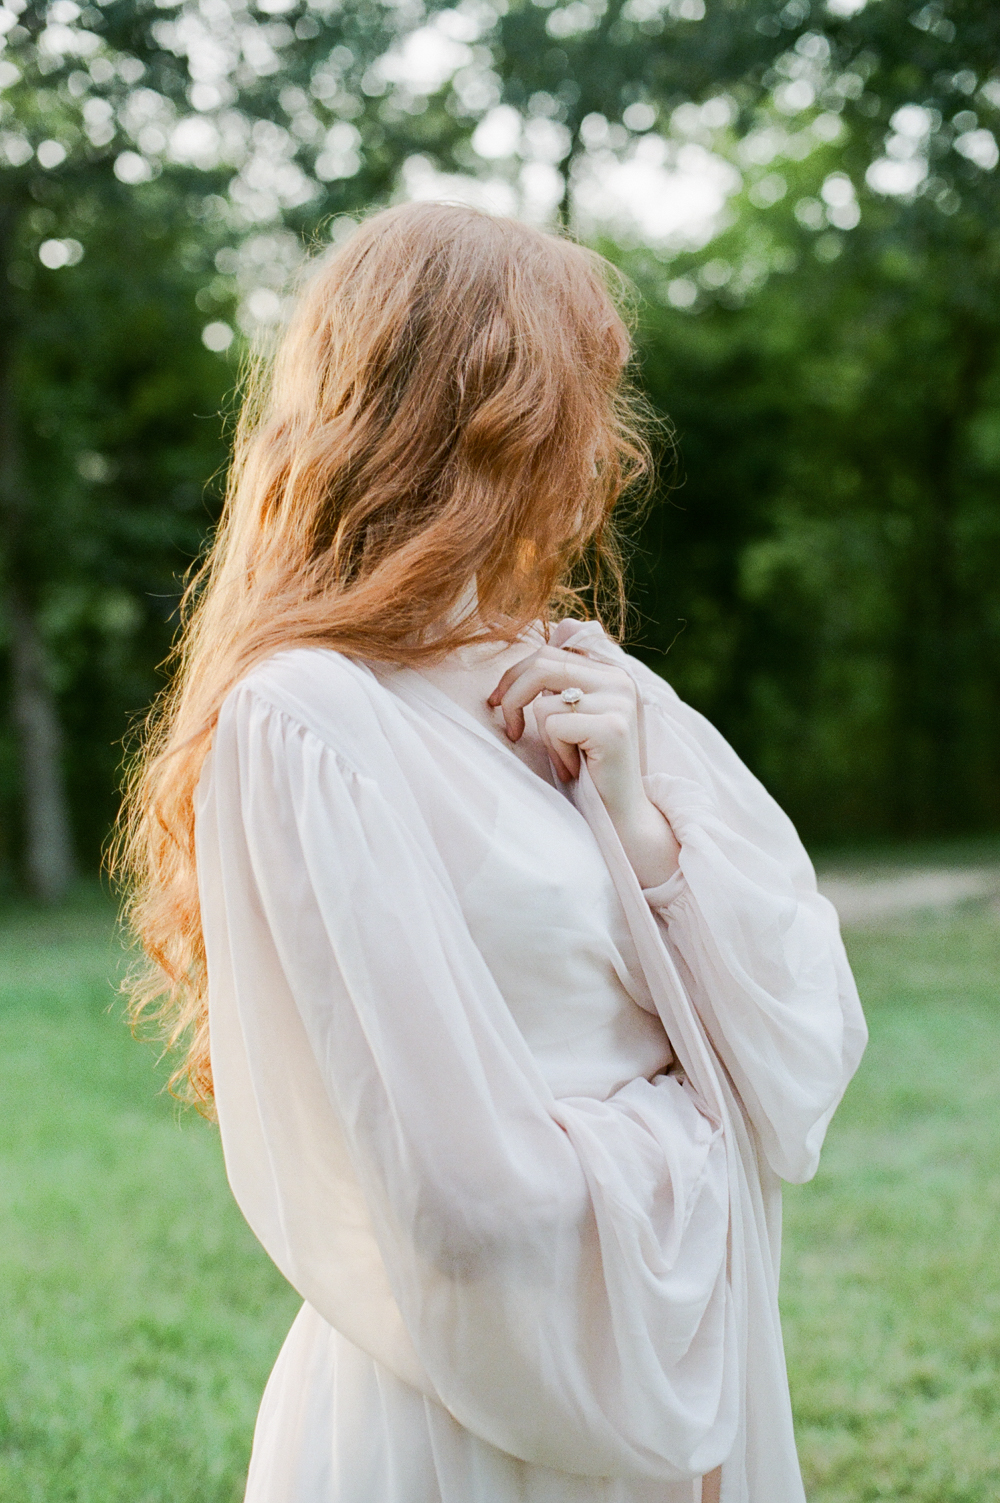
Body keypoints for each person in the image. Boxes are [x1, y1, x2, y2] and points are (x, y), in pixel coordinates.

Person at [118, 201, 867, 1503]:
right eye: (577, 398)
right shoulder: (308, 719)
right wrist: (698, 1135)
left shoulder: (581, 672)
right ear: (474, 416)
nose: (605, 445)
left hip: (687, 1352)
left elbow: (802, 1033)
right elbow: (469, 1199)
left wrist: (634, 815)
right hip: (474, 1413)